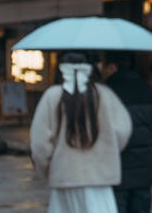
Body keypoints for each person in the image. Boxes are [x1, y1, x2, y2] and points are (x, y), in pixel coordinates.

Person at [31, 52, 133, 213]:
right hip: (100, 178)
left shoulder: (52, 96)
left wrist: (47, 170)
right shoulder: (104, 94)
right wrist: (108, 151)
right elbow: (123, 130)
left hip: (64, 178)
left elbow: (40, 145)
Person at [100, 52, 152, 213]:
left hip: (115, 171)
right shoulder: (151, 92)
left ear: (112, 67)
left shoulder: (104, 94)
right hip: (144, 172)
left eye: (104, 66)